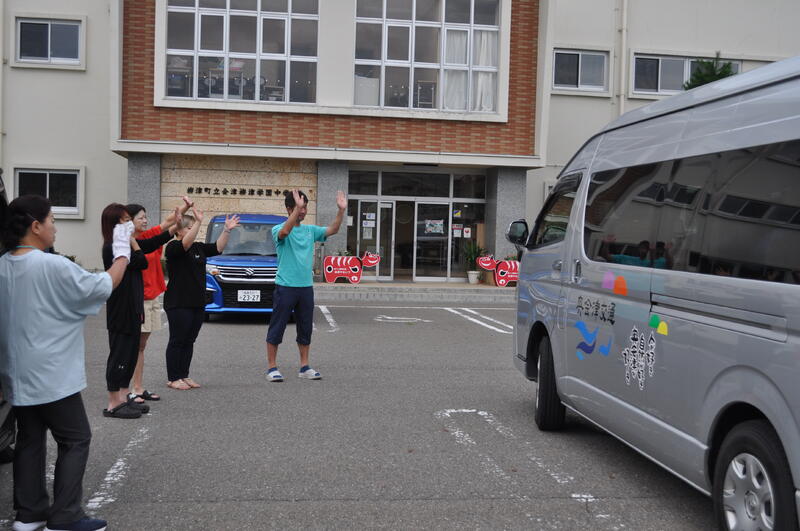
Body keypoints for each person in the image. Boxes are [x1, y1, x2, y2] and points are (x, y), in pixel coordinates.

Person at [0, 195, 130, 531]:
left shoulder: (3, 264)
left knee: (30, 439)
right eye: (52, 221)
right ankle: (66, 516)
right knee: (75, 439)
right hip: (51, 371)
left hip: (16, 371)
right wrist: (122, 253)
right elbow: (102, 286)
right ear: (36, 226)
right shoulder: (50, 265)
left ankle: (29, 514)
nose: (55, 228)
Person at [100, 203, 178, 419]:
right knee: (119, 355)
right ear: (115, 225)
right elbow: (142, 261)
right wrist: (134, 242)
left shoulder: (125, 244)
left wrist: (174, 228)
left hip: (133, 307)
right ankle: (113, 403)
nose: (130, 225)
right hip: (121, 309)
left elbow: (152, 243)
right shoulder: (113, 247)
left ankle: (124, 397)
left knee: (130, 353)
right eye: (125, 221)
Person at [265, 190, 347, 382]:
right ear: (289, 209)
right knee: (277, 327)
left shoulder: (310, 230)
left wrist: (341, 210)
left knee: (305, 328)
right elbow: (285, 233)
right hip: (285, 287)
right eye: (299, 208)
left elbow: (333, 230)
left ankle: (304, 366)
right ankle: (272, 368)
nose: (303, 211)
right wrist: (296, 210)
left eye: (305, 207)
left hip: (305, 288)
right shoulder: (278, 229)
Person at [163, 208, 239, 390]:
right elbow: (185, 244)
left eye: (194, 227)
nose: (193, 230)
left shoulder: (198, 247)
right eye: (189, 227)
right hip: (178, 302)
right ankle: (173, 377)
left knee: (189, 340)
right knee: (177, 339)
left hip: (197, 302)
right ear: (179, 230)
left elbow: (218, 248)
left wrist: (227, 230)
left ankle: (184, 374)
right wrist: (198, 221)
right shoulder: (173, 247)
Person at [126, 197, 193, 403]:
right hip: (139, 298)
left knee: (141, 346)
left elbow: (170, 221)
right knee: (134, 346)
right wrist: (178, 218)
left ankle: (138, 387)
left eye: (146, 217)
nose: (145, 221)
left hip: (152, 297)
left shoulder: (148, 236)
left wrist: (185, 207)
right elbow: (169, 225)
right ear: (128, 221)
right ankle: (130, 389)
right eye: (141, 218)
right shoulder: (127, 242)